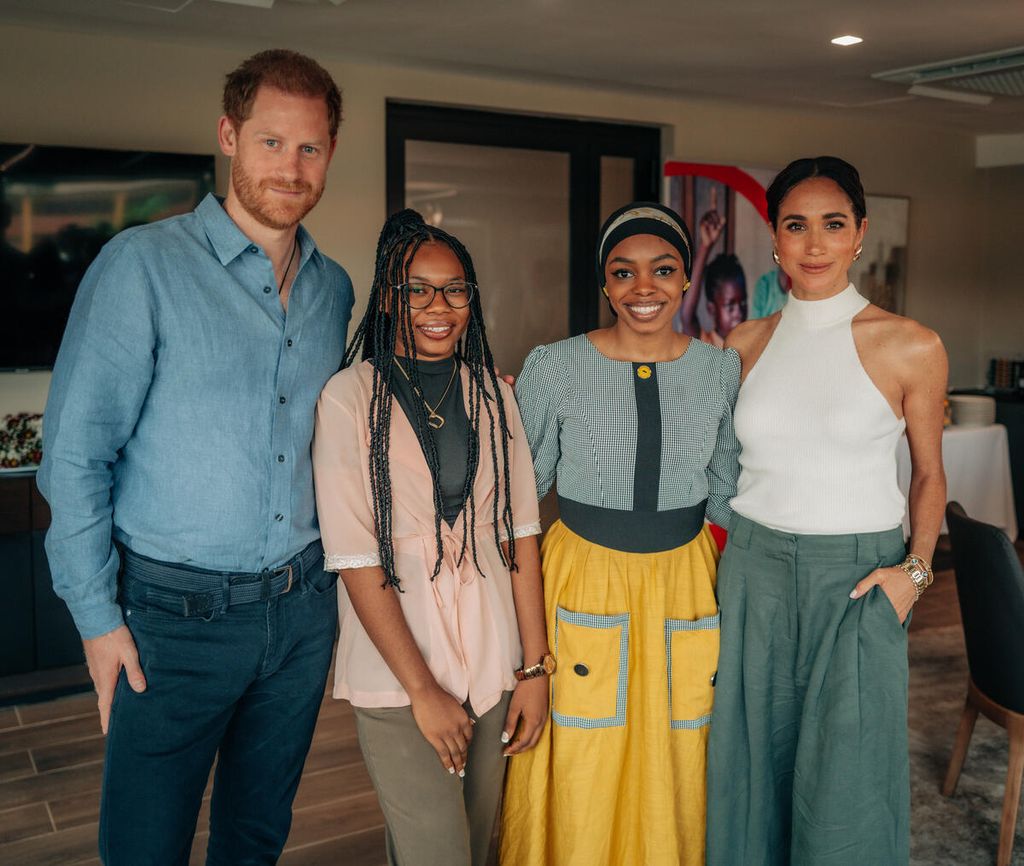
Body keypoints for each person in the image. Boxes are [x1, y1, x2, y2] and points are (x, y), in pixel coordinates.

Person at [37, 50, 352, 865]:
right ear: (228, 137)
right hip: (170, 624)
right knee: (145, 846)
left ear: (330, 153)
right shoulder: (142, 267)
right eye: (271, 142)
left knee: (255, 837)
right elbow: (72, 457)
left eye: (310, 147)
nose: (291, 167)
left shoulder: (334, 290)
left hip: (300, 612)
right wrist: (98, 620)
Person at [705, 156, 947, 866]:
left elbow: (931, 476)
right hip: (752, 573)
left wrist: (917, 572)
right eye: (796, 225)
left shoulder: (911, 344)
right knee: (750, 768)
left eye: (832, 225)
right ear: (775, 239)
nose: (814, 244)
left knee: (849, 775)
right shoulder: (742, 344)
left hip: (858, 578)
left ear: (860, 235)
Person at [501, 201, 741, 866]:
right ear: (604, 284)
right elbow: (520, 495)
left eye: (663, 270)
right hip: (583, 576)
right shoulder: (555, 367)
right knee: (583, 752)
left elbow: (726, 494)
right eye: (624, 272)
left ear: (684, 278)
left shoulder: (721, 371)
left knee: (682, 750)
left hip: (686, 585)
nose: (644, 288)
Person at [312, 209, 549, 866]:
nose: (436, 305)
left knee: (474, 847)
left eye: (453, 289)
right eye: (415, 289)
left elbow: (520, 538)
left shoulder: (495, 399)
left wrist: (532, 669)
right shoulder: (347, 399)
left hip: (492, 657)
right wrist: (422, 690)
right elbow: (357, 558)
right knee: (436, 852)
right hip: (399, 672)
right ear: (388, 298)